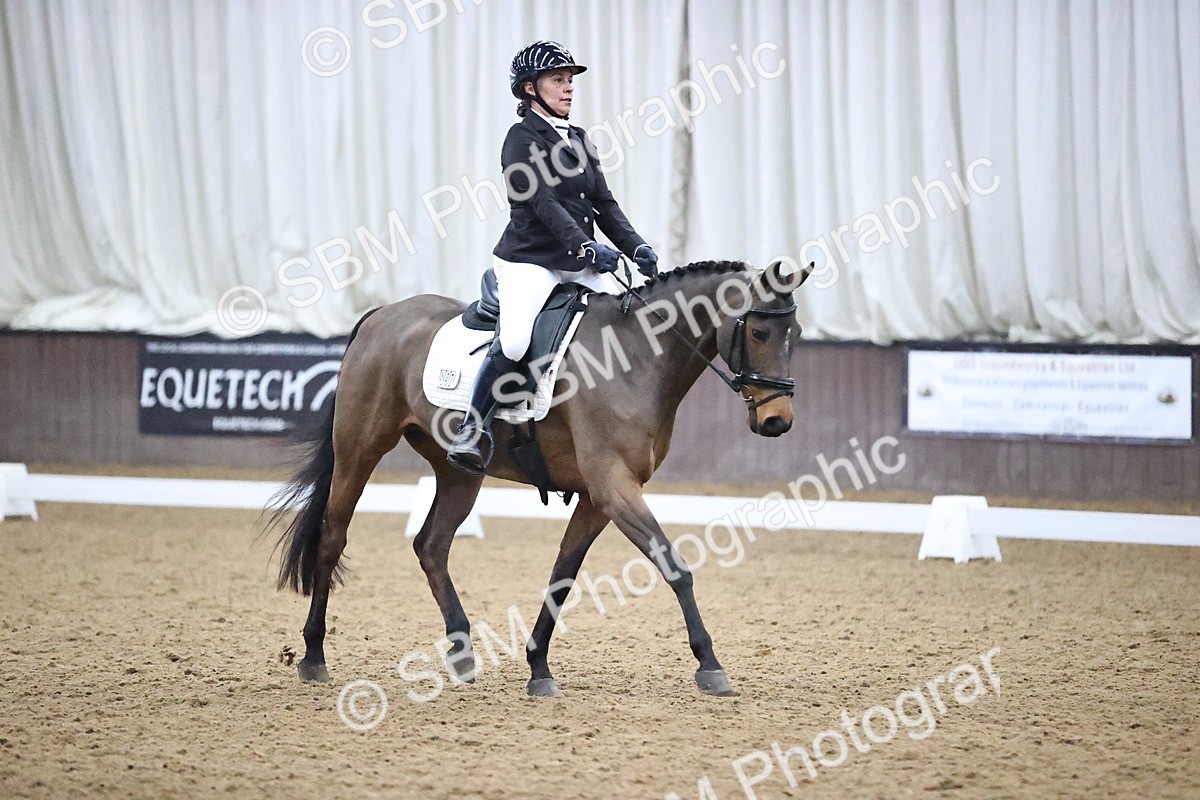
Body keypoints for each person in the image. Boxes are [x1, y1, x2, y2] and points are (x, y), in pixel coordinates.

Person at [447, 40, 660, 475]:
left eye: (569, 81)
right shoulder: (519, 139)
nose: (568, 89)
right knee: (516, 340)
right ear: (529, 88)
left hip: (580, 259)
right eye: (557, 81)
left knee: (629, 316)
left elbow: (604, 204)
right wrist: (586, 246)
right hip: (530, 260)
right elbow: (543, 203)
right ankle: (473, 426)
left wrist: (635, 246)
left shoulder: (579, 138)